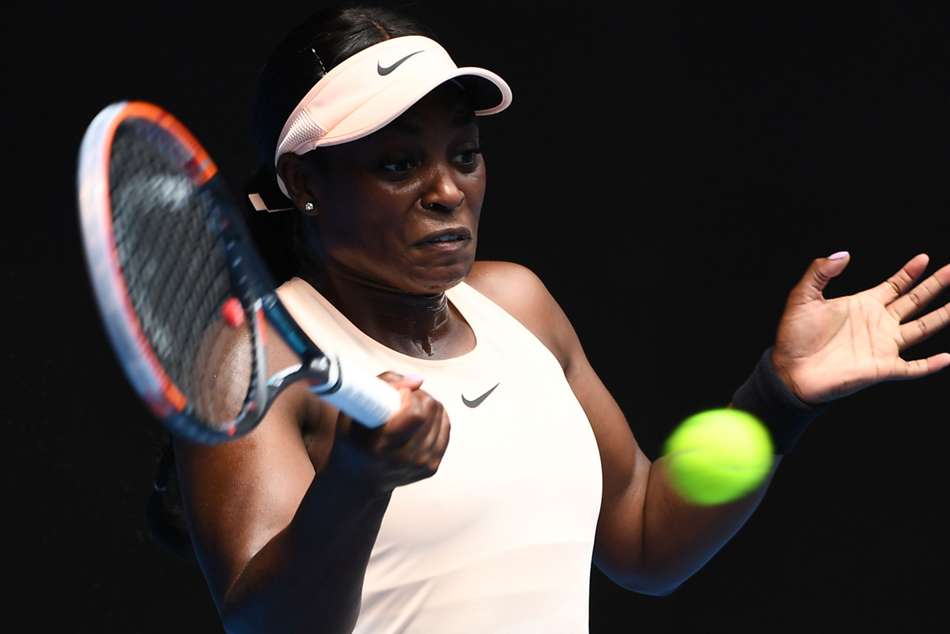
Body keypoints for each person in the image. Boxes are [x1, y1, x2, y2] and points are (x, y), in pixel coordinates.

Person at [150, 4, 950, 633]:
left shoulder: (518, 305)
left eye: (464, 155)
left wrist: (778, 397)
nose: (447, 191)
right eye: (398, 163)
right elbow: (266, 626)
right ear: (304, 182)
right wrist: (359, 483)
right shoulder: (252, 360)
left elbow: (645, 537)